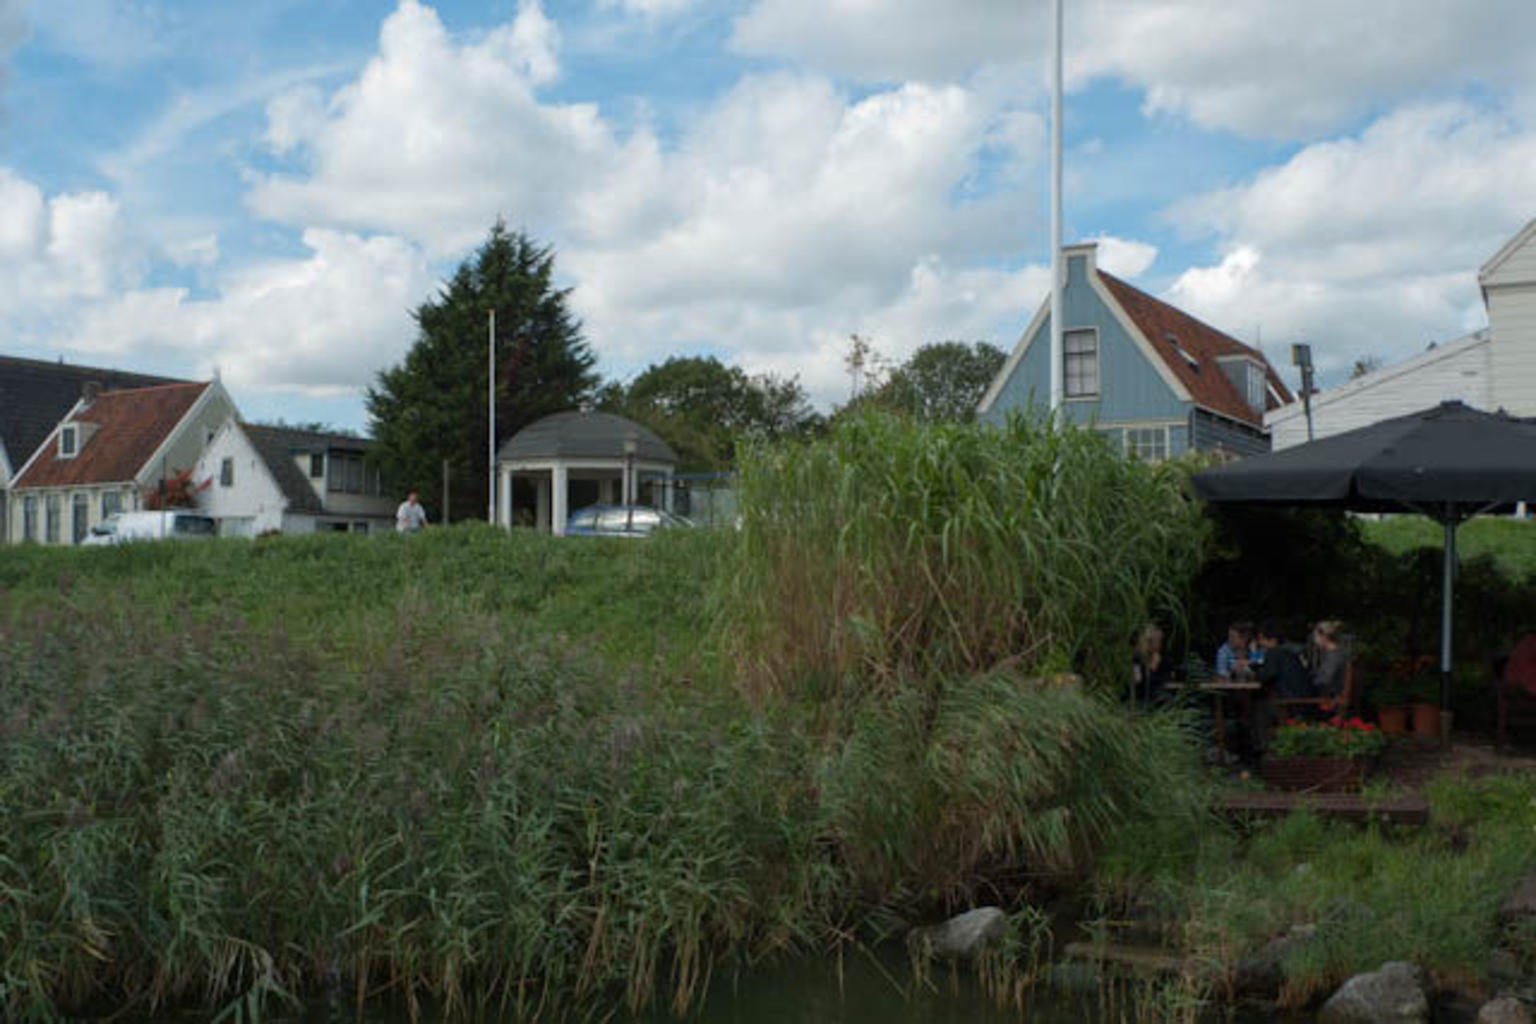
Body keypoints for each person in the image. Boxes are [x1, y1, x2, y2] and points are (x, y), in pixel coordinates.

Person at [1255, 621, 1311, 699]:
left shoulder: (1274, 652)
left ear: (1273, 640)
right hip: (1302, 695)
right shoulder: (1289, 651)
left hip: (1290, 699)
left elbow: (1267, 676)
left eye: (1262, 639)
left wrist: (1253, 671)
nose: (1260, 643)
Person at [1132, 623, 1172, 704]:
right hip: (1142, 697)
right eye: (1157, 641)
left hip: (1160, 693)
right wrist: (1152, 668)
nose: (1159, 644)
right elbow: (1138, 681)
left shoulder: (1163, 659)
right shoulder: (1137, 659)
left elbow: (1167, 677)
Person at [1310, 619, 1349, 701]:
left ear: (1323, 636)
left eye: (1315, 637)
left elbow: (1324, 681)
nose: (1314, 641)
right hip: (1330, 698)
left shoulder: (1334, 656)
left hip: (1328, 702)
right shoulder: (1337, 654)